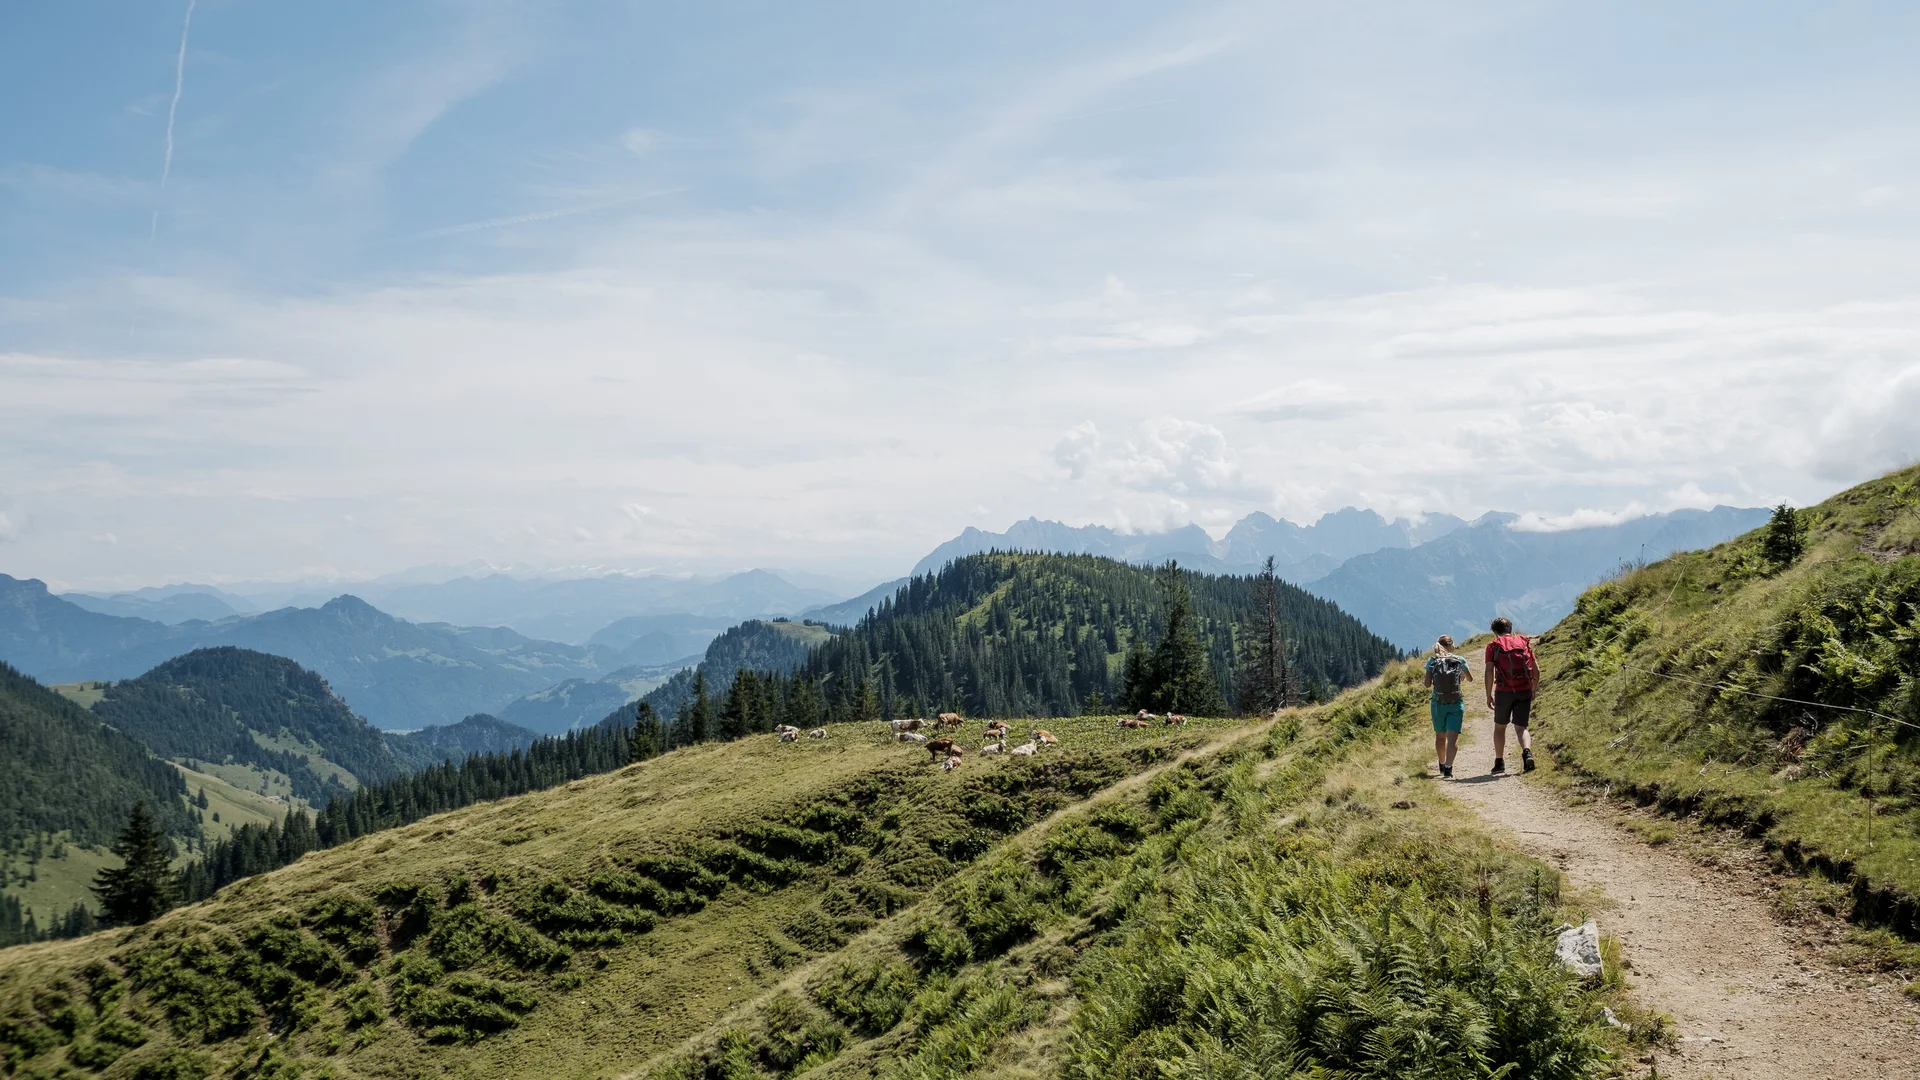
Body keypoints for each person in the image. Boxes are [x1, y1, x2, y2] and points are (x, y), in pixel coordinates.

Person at [1484, 617, 1540, 774]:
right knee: (1521, 727)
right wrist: (1533, 688)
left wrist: (1488, 694)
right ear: (1510, 628)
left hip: (1504, 691)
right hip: (1524, 689)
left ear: (1495, 631)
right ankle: (1527, 752)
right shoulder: (1523, 641)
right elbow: (1536, 670)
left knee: (1500, 727)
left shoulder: (1493, 646)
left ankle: (1499, 762)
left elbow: (1489, 671)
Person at [1424, 635, 1472, 779]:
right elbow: (1470, 678)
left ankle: (1441, 762)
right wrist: (1461, 676)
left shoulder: (1432, 661)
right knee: (1453, 738)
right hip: (1456, 703)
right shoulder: (1459, 660)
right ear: (1451, 645)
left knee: (1440, 735)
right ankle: (1448, 769)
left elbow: (1426, 684)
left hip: (1438, 703)